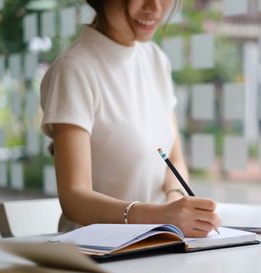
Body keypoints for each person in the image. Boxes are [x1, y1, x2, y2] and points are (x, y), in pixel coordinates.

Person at [40, 0, 221, 237]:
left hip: (159, 243)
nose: (155, 7)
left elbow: (174, 160)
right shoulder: (75, 69)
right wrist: (160, 216)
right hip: (98, 252)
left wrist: (175, 203)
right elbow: (74, 198)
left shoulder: (156, 60)